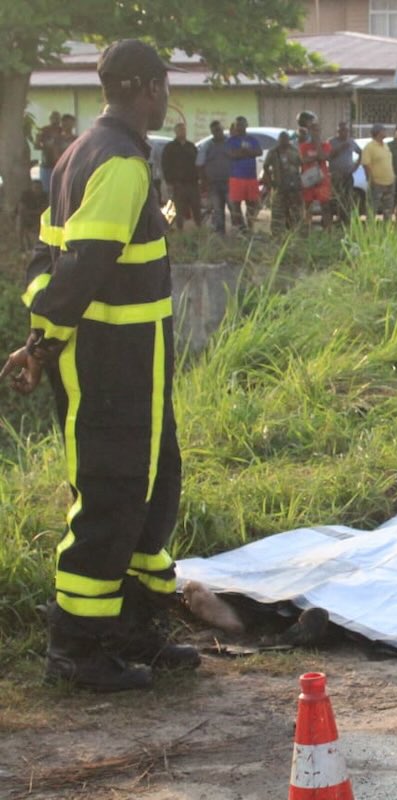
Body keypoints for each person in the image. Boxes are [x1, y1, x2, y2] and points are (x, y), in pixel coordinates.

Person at [0, 38, 198, 692]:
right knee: (113, 492)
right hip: (112, 365)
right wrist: (42, 344)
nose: (167, 97)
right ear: (148, 88)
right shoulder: (119, 163)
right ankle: (77, 648)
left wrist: (40, 339)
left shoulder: (81, 153)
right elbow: (80, 268)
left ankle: (133, 626)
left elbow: (46, 259)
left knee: (152, 484)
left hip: (132, 364)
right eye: (164, 85)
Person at [262, 130, 303, 234]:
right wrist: (270, 181)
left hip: (293, 187)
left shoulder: (294, 151)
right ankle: (277, 234)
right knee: (277, 212)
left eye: (286, 139)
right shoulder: (273, 152)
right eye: (282, 139)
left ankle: (294, 233)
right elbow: (266, 166)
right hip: (279, 186)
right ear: (279, 140)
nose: (284, 141)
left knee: (294, 212)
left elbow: (301, 164)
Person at [161, 122, 200, 230]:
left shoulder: (191, 146)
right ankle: (179, 230)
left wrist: (199, 178)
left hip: (192, 183)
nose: (182, 132)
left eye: (184, 129)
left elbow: (197, 163)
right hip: (178, 184)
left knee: (196, 207)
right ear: (176, 132)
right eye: (180, 130)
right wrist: (169, 182)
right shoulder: (170, 147)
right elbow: (165, 165)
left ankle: (199, 229)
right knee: (178, 209)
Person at [197, 120, 234, 233]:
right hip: (213, 184)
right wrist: (204, 181)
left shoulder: (231, 142)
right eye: (215, 131)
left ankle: (238, 233)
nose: (217, 132)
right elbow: (199, 165)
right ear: (212, 132)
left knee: (234, 208)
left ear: (222, 129)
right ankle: (220, 234)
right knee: (218, 210)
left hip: (230, 182)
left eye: (219, 130)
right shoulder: (207, 146)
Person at [226, 116, 262, 233]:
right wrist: (247, 153)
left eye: (241, 124)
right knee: (236, 204)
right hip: (236, 177)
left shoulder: (252, 139)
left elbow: (259, 152)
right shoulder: (231, 141)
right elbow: (231, 155)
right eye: (237, 125)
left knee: (252, 203)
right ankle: (241, 228)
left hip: (251, 177)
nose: (239, 127)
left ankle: (250, 226)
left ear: (246, 125)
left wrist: (243, 152)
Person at [298, 121, 333, 229]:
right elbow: (303, 160)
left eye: (317, 130)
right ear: (309, 132)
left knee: (325, 206)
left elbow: (323, 157)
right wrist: (316, 157)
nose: (315, 132)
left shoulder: (325, 145)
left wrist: (317, 144)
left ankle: (327, 230)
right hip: (308, 179)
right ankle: (306, 229)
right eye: (313, 130)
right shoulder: (304, 146)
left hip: (322, 181)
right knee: (308, 206)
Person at [328, 121, 361, 224]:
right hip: (336, 175)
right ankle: (334, 220)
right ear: (337, 132)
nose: (344, 133)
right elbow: (328, 156)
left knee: (348, 198)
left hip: (348, 175)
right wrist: (341, 148)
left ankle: (345, 220)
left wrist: (356, 166)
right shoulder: (331, 142)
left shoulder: (351, 141)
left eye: (346, 131)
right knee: (335, 198)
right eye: (341, 131)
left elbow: (360, 152)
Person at [360, 123, 396, 220]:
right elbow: (366, 164)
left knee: (388, 209)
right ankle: (370, 227)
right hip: (377, 183)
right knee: (372, 208)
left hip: (390, 182)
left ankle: (387, 227)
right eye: (383, 130)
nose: (385, 132)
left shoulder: (385, 146)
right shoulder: (369, 147)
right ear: (378, 132)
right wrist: (371, 180)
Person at [16, 180, 48, 251]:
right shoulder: (26, 195)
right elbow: (21, 209)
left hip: (38, 217)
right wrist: (34, 212)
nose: (37, 190)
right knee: (20, 221)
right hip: (26, 216)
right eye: (36, 188)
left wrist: (36, 212)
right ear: (32, 188)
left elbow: (45, 209)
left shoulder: (44, 196)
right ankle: (21, 246)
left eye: (39, 188)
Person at [35, 111, 62, 192]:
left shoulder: (62, 131)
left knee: (59, 190)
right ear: (50, 119)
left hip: (60, 165)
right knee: (46, 190)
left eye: (57, 118)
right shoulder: (44, 130)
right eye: (53, 118)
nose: (55, 120)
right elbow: (36, 146)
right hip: (46, 165)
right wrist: (46, 146)